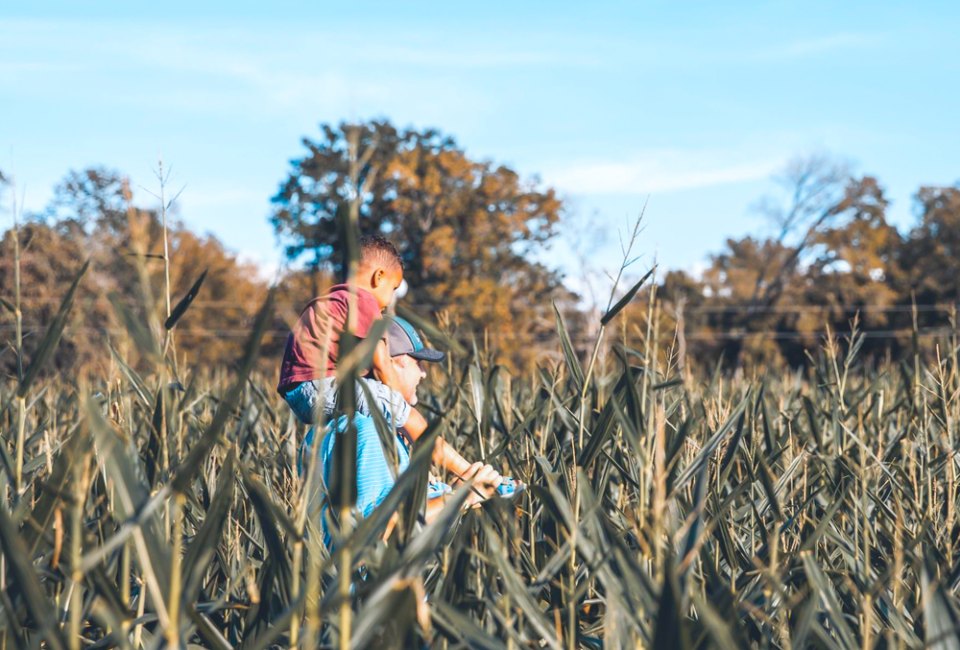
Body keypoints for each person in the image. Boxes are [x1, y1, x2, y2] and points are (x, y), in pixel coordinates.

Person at [302, 316, 515, 543]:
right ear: (390, 363)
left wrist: (445, 493)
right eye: (418, 363)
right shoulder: (368, 430)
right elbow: (376, 535)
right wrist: (461, 497)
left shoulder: (327, 428)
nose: (423, 373)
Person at [277, 234, 432, 446]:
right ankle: (464, 469)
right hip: (320, 386)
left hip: (296, 395)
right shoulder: (362, 300)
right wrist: (400, 410)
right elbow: (382, 365)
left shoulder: (333, 300)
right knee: (409, 417)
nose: (391, 299)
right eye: (393, 288)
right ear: (378, 277)